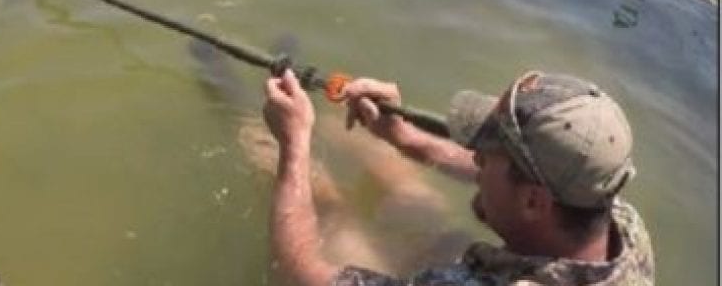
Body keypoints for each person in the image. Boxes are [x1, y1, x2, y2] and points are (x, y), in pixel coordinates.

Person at [263, 68, 655, 286]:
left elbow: (304, 275)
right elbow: (498, 172)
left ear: (534, 201)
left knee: (339, 222)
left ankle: (271, 133)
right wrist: (403, 135)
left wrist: (293, 147)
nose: (476, 160)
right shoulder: (618, 223)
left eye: (488, 154)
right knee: (421, 209)